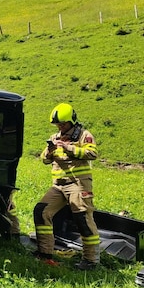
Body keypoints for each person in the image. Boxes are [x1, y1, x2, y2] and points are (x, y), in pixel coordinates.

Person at [33, 103, 100, 270]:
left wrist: (68, 147)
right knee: (41, 211)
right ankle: (45, 254)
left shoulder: (84, 135)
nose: (60, 127)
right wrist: (49, 151)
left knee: (83, 219)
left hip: (78, 184)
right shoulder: (55, 137)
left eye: (63, 124)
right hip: (58, 186)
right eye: (58, 125)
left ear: (72, 121)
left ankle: (90, 260)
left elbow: (92, 153)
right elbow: (44, 159)